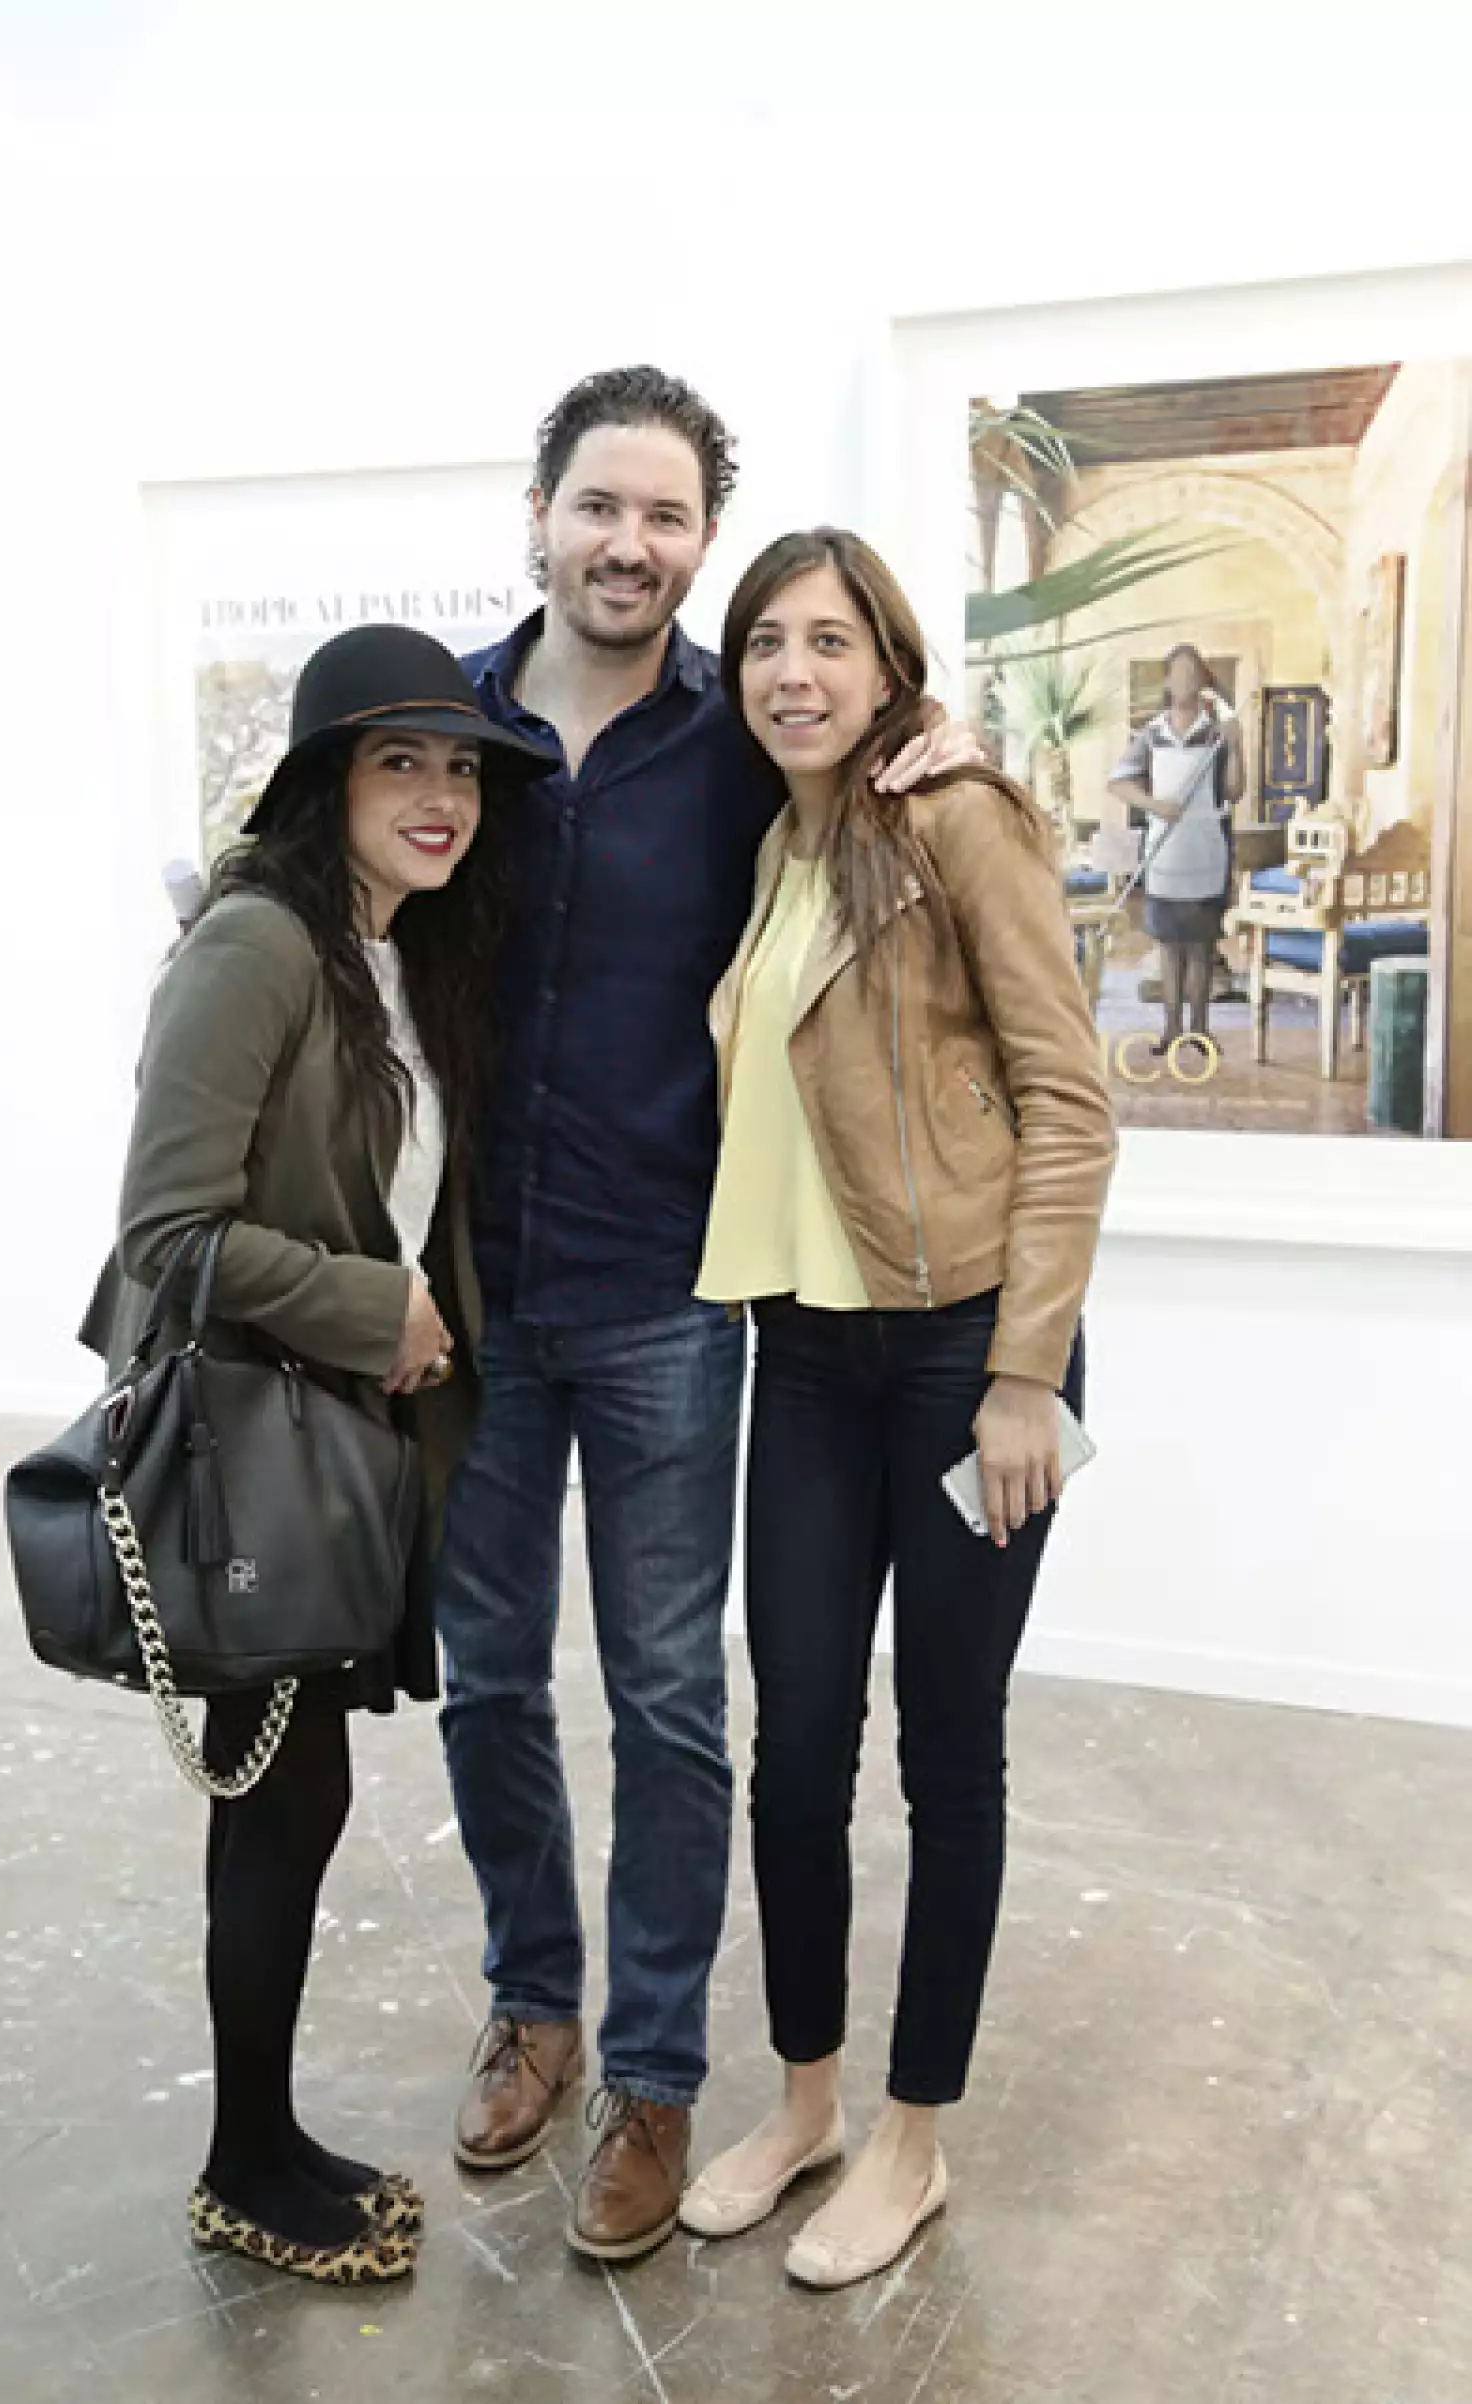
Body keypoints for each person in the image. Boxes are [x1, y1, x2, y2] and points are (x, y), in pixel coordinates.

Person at [435, 367, 981, 2264]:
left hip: (672, 1293)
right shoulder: (456, 727)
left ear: (697, 538)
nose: (629, 542)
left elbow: (869, 757)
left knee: (672, 1696)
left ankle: (653, 2075)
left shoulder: (740, 733)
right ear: (539, 510)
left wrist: (940, 741)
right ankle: (535, 2000)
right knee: (493, 1676)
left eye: (667, 516)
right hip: (477, 1302)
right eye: (600, 504)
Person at [78, 625, 554, 2283]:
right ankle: (242, 2160)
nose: (440, 797)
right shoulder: (263, 942)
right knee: (279, 1798)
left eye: (462, 768)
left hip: (340, 1442)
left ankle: (263, 2136)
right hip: (256, 1443)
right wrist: (379, 1309)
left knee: (300, 1790)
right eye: (398, 762)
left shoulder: (388, 948)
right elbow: (165, 1229)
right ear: (322, 780)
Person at [679, 528, 1116, 2290]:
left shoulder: (954, 821)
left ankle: (914, 2137)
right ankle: (804, 2101)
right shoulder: (783, 845)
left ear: (890, 667)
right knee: (795, 1751)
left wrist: (1026, 1371)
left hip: (962, 1363)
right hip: (809, 1352)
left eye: (832, 641)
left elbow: (1071, 1101)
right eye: (766, 642)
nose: (795, 670)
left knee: (951, 1750)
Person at [1108, 643, 1246, 1053]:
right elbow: (1118, 783)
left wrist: (1237, 747)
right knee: (1169, 946)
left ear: (1203, 680)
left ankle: (1199, 1029)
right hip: (1165, 852)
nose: (1185, 680)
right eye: (1178, 673)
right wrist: (1155, 806)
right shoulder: (1152, 735)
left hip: (1205, 849)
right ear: (1167, 681)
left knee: (1201, 946)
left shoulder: (1217, 734)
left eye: (1193, 672)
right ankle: (1170, 1028)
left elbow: (1235, 792)